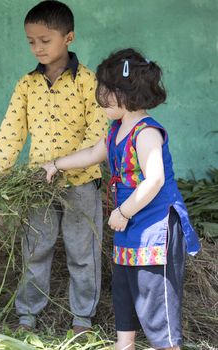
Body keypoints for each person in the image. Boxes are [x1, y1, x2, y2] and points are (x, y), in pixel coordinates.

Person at [42, 48, 201, 350]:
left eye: (103, 88)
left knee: (157, 301)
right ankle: (123, 345)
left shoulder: (146, 132)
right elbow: (91, 154)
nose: (98, 95)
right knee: (125, 291)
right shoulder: (116, 130)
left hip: (155, 230)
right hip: (130, 230)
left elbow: (154, 179)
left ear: (122, 94)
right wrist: (56, 164)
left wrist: (124, 211)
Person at [0, 0, 107, 333]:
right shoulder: (27, 85)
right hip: (37, 184)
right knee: (35, 250)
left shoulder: (87, 82)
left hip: (81, 185)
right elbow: (10, 133)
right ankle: (27, 316)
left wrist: (63, 166)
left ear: (68, 38)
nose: (37, 47)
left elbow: (99, 138)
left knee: (83, 254)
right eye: (31, 41)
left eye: (45, 40)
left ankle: (82, 319)